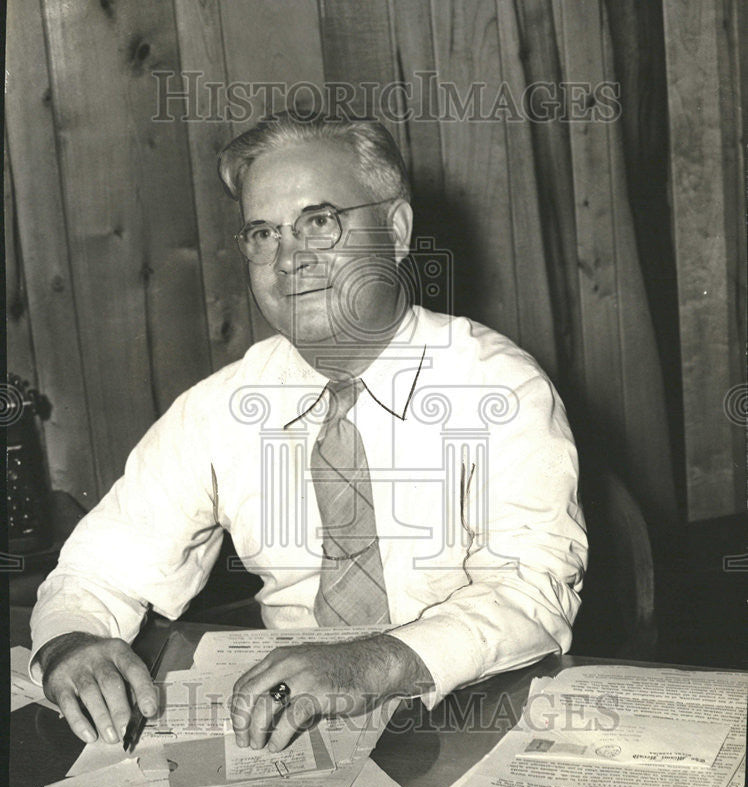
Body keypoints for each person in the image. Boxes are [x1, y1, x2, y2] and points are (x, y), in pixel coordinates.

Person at [30, 112, 587, 754]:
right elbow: (99, 568)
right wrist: (72, 643)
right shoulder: (223, 408)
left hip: (476, 714)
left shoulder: (498, 387)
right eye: (262, 233)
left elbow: (533, 590)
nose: (289, 258)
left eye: (319, 221)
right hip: (292, 738)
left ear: (397, 231)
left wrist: (374, 663)